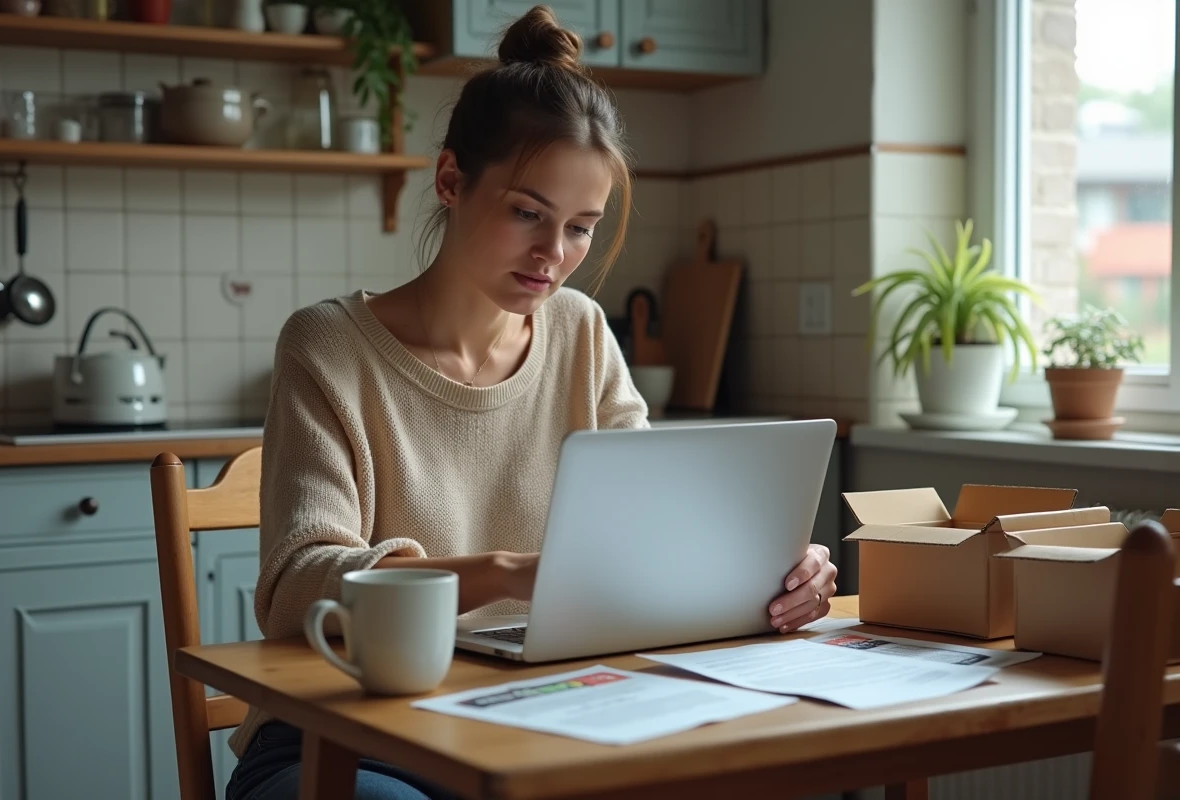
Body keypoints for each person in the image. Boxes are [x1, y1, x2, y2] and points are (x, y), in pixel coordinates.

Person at [223, 5, 839, 799]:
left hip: (537, 723)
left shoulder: (580, 332)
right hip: (347, 738)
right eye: (527, 213)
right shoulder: (327, 346)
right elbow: (296, 589)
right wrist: (511, 573)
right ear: (451, 180)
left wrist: (775, 566)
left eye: (582, 227)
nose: (556, 257)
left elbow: (655, 527)